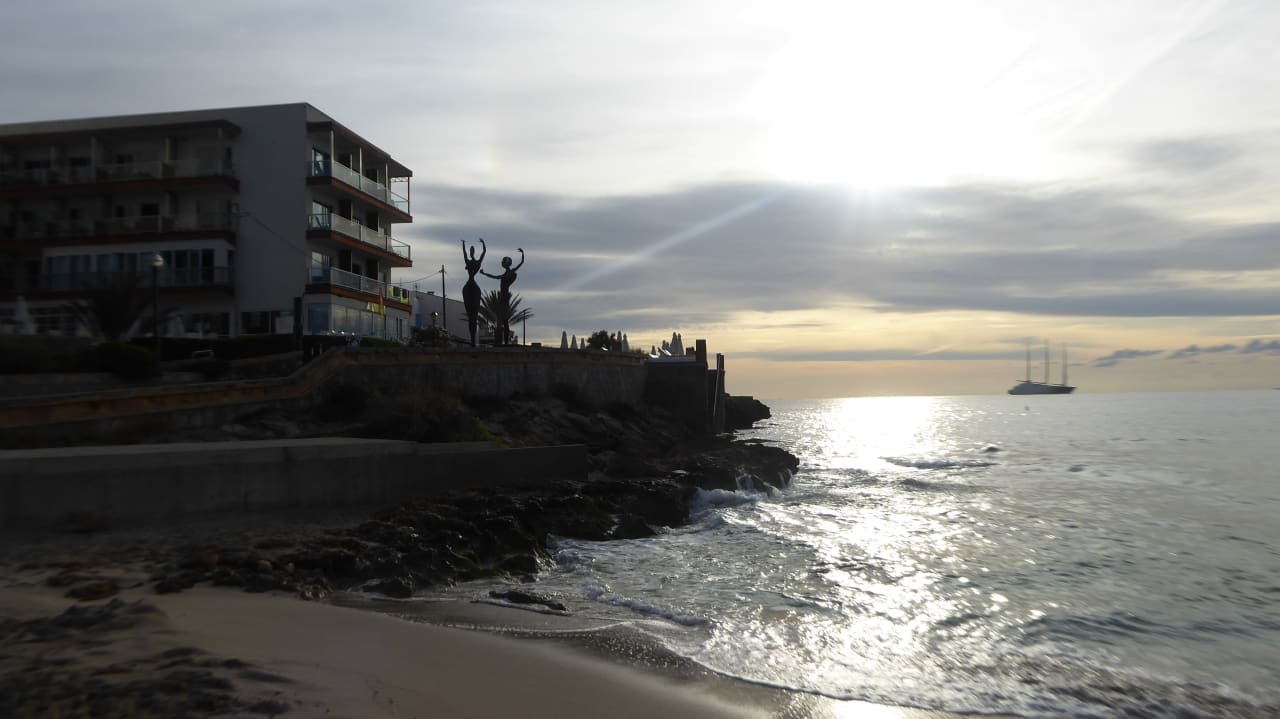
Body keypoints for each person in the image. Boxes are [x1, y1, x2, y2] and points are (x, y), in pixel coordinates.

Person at [480, 247, 524, 346]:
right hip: (503, 296)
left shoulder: (510, 273)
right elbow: (495, 277)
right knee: (503, 319)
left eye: (505, 263)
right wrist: (484, 273)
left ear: (507, 264)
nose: (504, 264)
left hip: (504, 297)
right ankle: (503, 342)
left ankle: (505, 342)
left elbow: (521, 263)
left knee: (504, 319)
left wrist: (522, 254)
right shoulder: (505, 274)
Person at [461, 238, 487, 346]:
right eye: (470, 250)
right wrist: (463, 244)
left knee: (474, 316)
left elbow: (484, 253)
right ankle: (472, 340)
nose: (471, 252)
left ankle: (473, 341)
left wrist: (483, 243)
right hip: (469, 286)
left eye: (472, 251)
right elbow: (464, 254)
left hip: (472, 285)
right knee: (470, 316)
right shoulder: (469, 261)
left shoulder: (477, 262)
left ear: (474, 252)